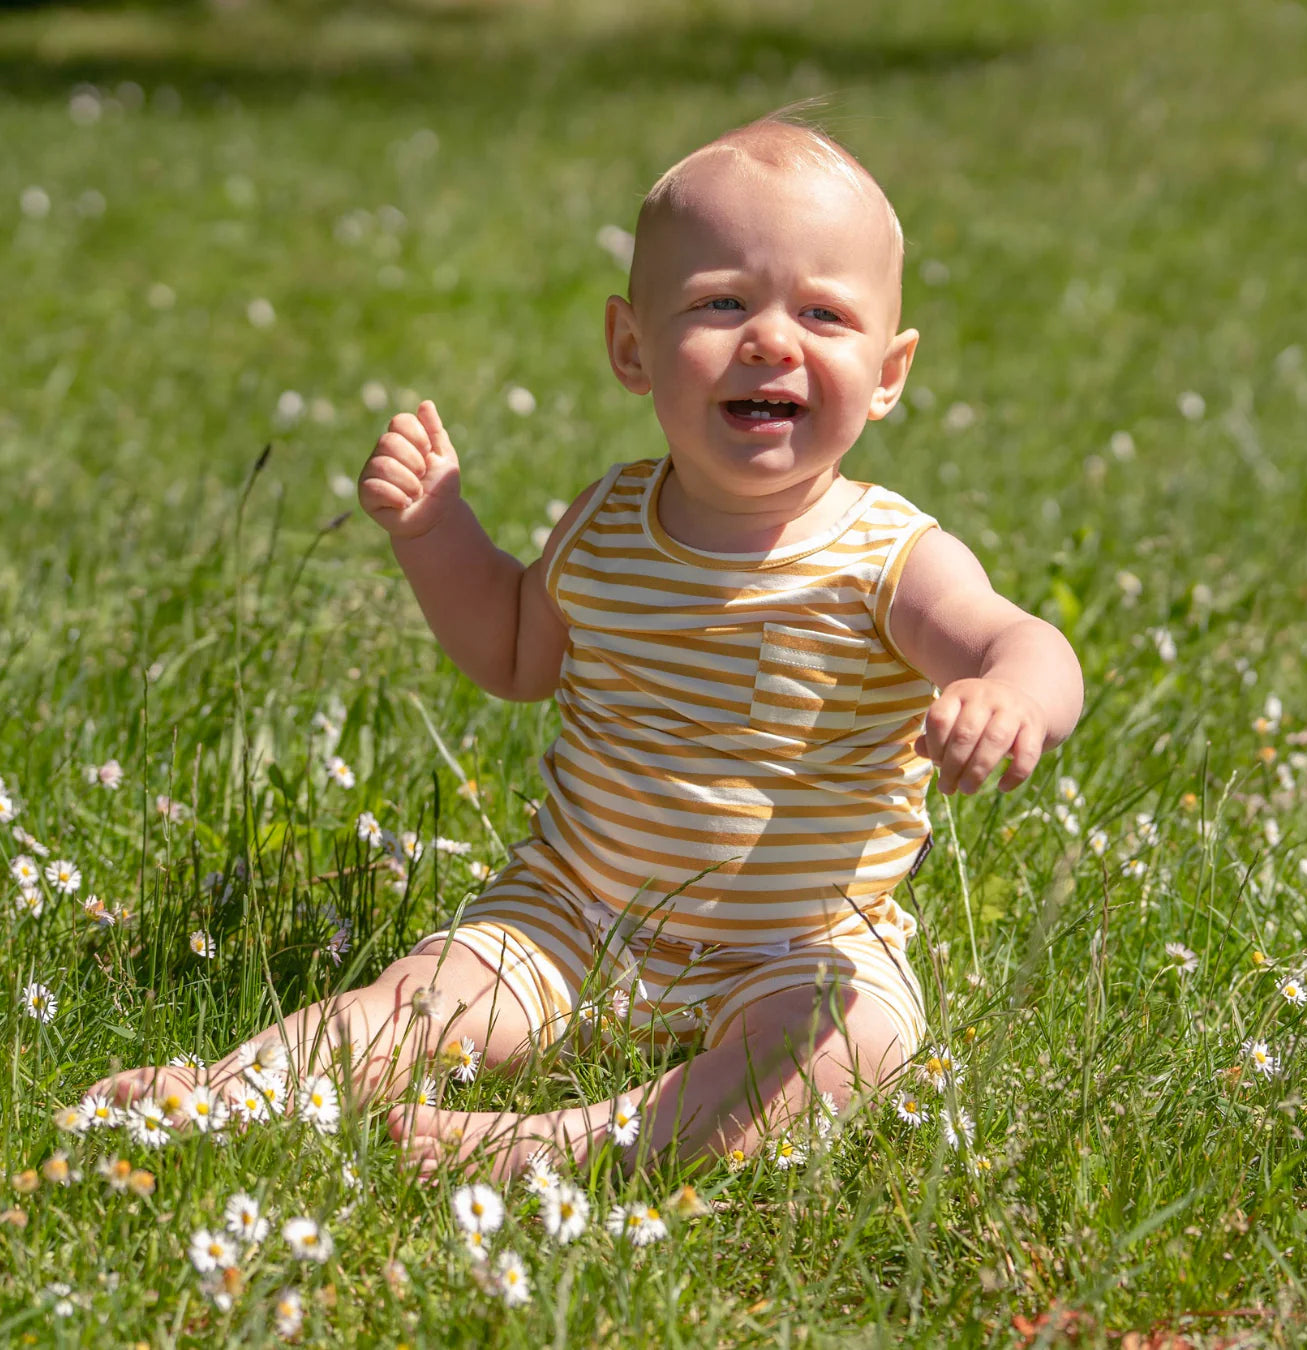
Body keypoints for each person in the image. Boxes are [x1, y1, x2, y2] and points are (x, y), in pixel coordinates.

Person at [95, 114, 1082, 1177]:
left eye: (824, 313)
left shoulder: (892, 557)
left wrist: (1012, 697)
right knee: (420, 999)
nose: (770, 339)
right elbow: (515, 655)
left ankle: (559, 1146)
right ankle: (235, 1091)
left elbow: (1022, 640)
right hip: (574, 912)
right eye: (720, 302)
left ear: (888, 372)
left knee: (852, 1048)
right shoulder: (605, 522)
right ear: (631, 347)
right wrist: (436, 530)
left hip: (800, 947)